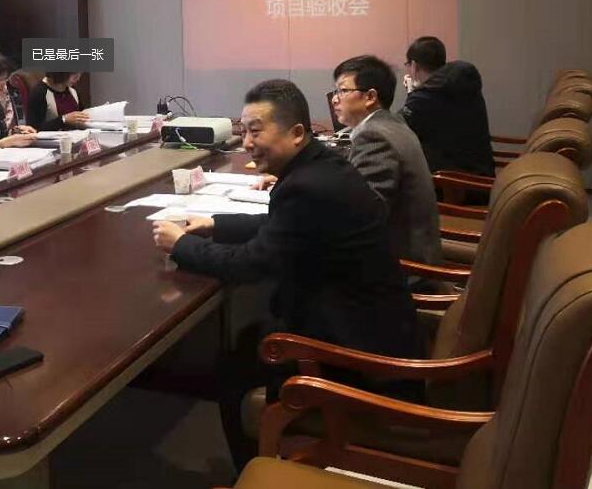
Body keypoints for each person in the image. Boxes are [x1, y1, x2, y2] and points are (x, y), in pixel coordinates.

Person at [151, 79, 420, 470]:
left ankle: (256, 471)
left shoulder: (307, 186)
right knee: (246, 341)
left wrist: (180, 245)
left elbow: (248, 264)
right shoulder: (321, 166)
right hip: (375, 323)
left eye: (256, 131)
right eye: (244, 131)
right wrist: (214, 223)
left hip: (357, 353)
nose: (246, 143)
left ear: (296, 133)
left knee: (233, 369)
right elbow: (285, 226)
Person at [331, 56, 442, 276]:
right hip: (414, 252)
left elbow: (363, 216)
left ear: (370, 97)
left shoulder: (374, 136)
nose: (335, 99)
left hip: (401, 271)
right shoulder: (391, 124)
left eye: (342, 91)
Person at [400, 36, 495, 177]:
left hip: (452, 183)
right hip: (482, 173)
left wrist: (413, 93)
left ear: (414, 66)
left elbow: (400, 129)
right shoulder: (463, 81)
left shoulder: (424, 98)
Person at [25, 71, 89, 130]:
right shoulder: (39, 92)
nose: (78, 78)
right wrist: (63, 120)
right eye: (74, 73)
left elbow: (81, 115)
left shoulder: (73, 90)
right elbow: (32, 129)